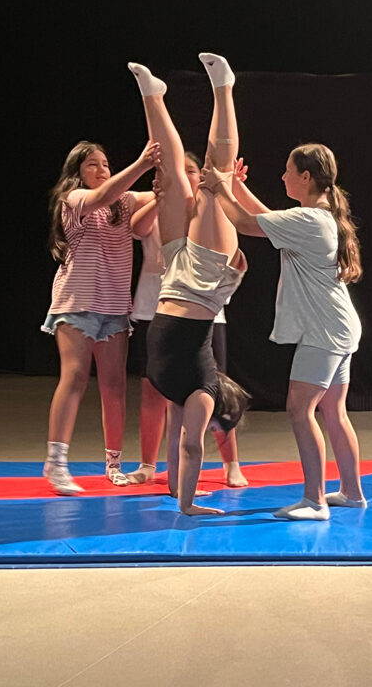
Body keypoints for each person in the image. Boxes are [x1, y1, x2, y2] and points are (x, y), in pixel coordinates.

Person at [200, 143, 366, 520]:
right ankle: (352, 493)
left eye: (288, 171)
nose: (283, 176)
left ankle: (315, 501)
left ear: (305, 177)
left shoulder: (309, 220)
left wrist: (218, 186)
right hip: (338, 327)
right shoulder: (315, 217)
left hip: (324, 332)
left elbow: (245, 224)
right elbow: (265, 217)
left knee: (299, 410)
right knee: (333, 411)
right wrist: (234, 186)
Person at [127, 53, 249, 516]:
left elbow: (180, 446)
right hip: (204, 276)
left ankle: (153, 97)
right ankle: (224, 88)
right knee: (216, 177)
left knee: (172, 176)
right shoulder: (201, 389)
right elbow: (194, 446)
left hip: (176, 274)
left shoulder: (179, 391)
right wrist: (190, 506)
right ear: (220, 400)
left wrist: (181, 498)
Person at [41, 139, 160, 495]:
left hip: (115, 307)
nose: (102, 169)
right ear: (77, 171)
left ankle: (114, 464)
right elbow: (101, 196)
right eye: (92, 164)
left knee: (115, 386)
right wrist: (142, 163)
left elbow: (161, 194)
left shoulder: (124, 201)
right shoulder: (74, 199)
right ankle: (56, 463)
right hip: (76, 304)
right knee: (75, 377)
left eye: (106, 163)